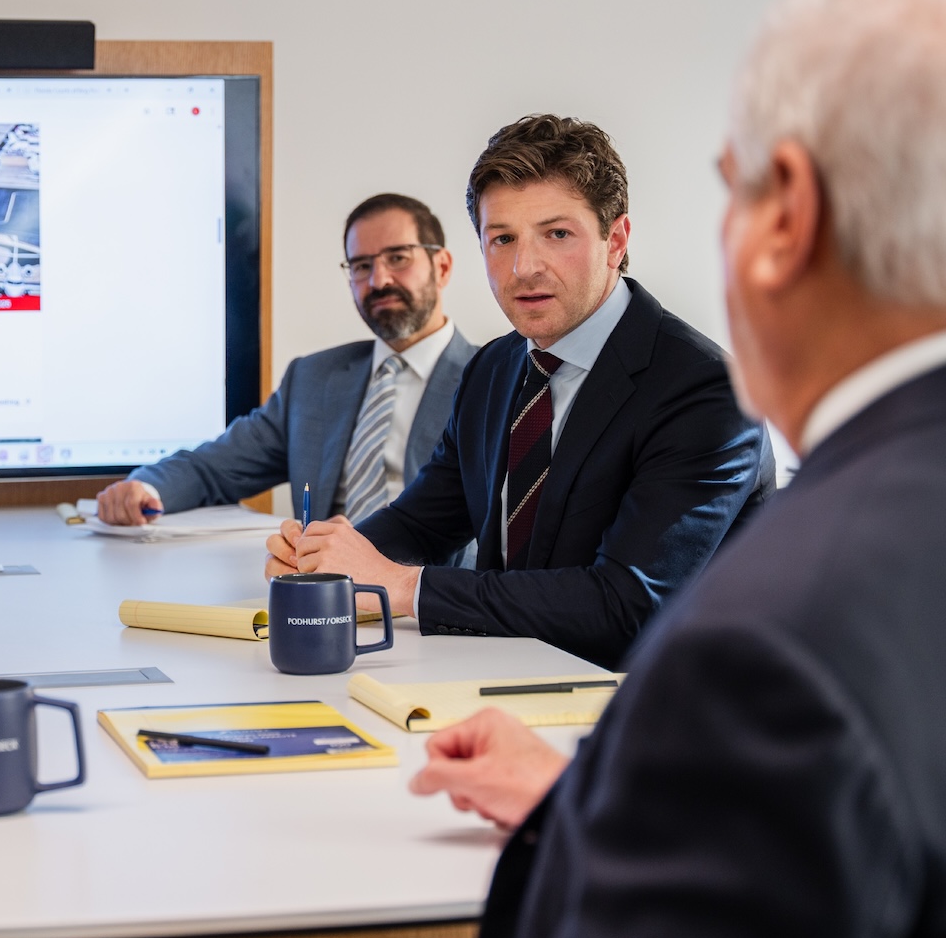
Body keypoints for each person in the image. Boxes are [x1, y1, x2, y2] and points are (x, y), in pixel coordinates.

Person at [409, 0, 946, 938]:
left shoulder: (766, 655)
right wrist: (600, 798)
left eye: (729, 188)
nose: (526, 265)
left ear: (783, 215)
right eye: (503, 239)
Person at [269, 117, 773, 668]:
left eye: (557, 234)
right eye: (502, 239)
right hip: (507, 678)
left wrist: (403, 586)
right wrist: (330, 558)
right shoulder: (494, 367)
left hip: (654, 709)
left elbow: (626, 607)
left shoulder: (707, 389)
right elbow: (424, 522)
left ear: (617, 240)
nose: (523, 267)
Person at [98, 193, 477, 533]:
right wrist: (144, 488)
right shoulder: (313, 380)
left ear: (441, 267)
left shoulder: (493, 378)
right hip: (320, 595)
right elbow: (214, 467)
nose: (379, 280)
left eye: (398, 258)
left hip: (430, 600)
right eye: (361, 265)